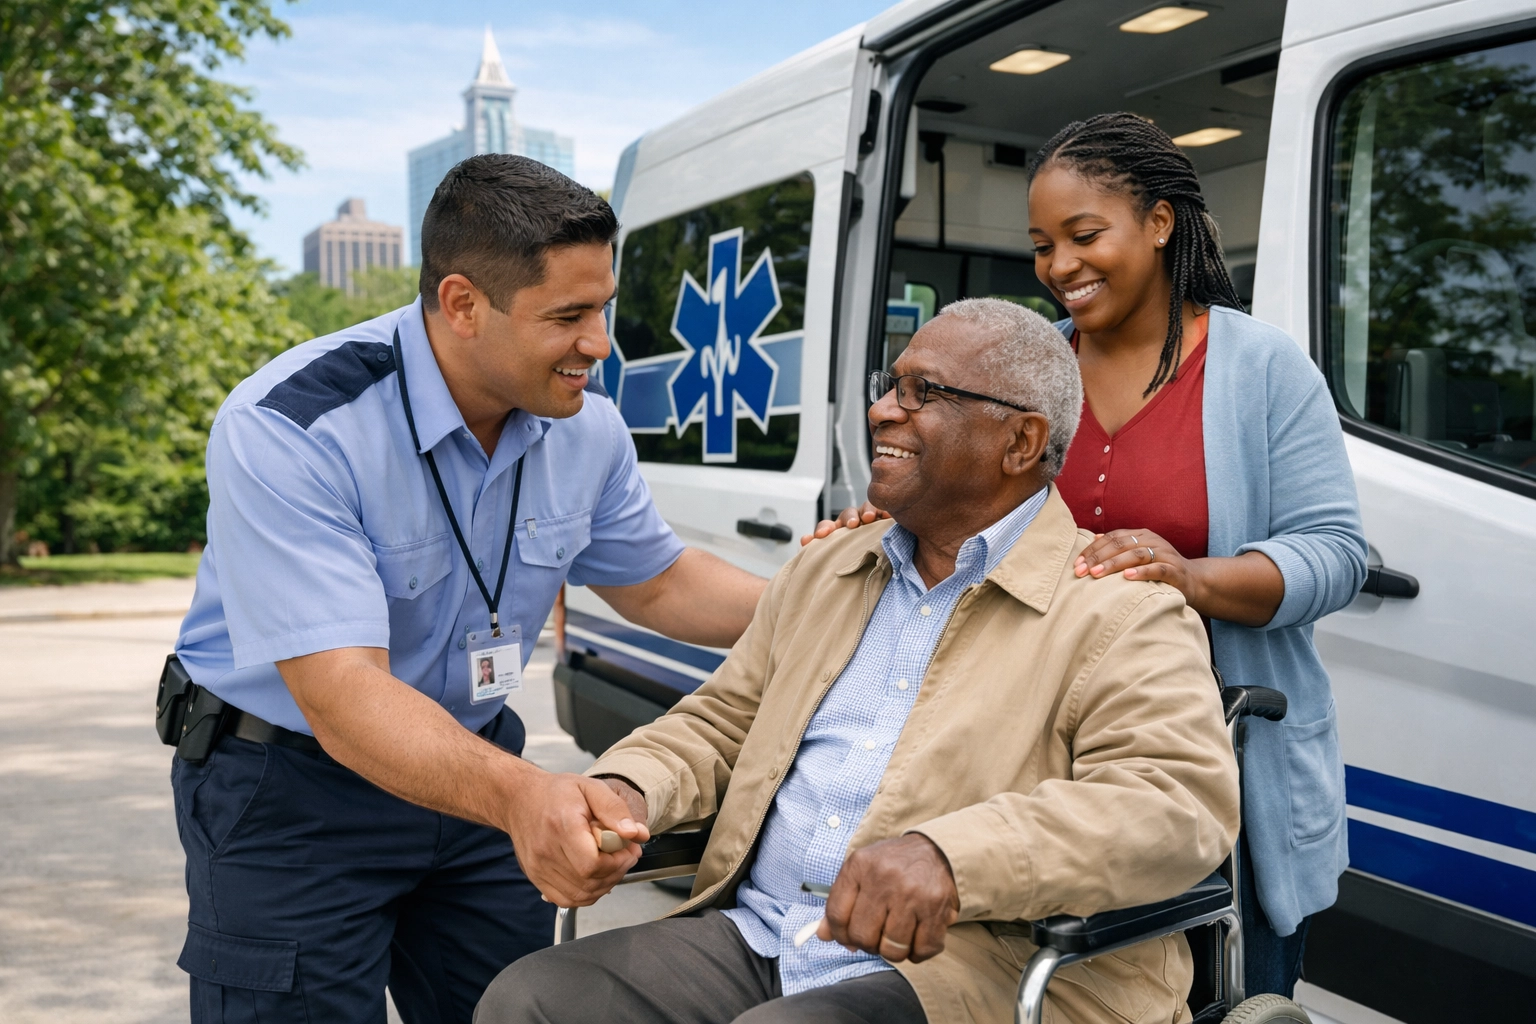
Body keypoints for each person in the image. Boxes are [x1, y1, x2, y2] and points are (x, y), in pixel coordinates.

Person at [476, 299, 1240, 1024]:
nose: (881, 410)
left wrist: (951, 857)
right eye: (889, 385)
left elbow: (1173, 805)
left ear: (1020, 443)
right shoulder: (830, 566)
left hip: (973, 965)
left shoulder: (1121, 611)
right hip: (768, 933)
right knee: (533, 1000)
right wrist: (626, 790)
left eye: (922, 392)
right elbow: (722, 723)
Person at [169, 155, 766, 1023]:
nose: (599, 344)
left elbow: (659, 582)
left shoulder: (586, 425)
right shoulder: (295, 427)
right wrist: (525, 798)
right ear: (462, 304)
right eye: (567, 316)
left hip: (474, 771)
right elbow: (343, 694)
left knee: (517, 1007)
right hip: (291, 792)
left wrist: (827, 599)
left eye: (601, 307)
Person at [808, 113, 1368, 1000]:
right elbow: (971, 505)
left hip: (1212, 771)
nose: (1060, 265)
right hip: (1044, 760)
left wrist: (1192, 578)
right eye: (1042, 246)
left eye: (1084, 235)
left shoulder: (1260, 367)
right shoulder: (1033, 373)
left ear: (1159, 222)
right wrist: (894, 512)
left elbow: (1334, 554)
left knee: (1224, 992)